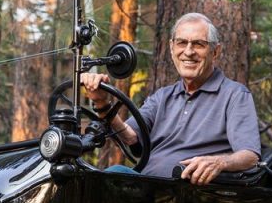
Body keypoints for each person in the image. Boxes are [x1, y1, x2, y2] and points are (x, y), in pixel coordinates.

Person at [81, 13, 261, 186]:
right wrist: (102, 103)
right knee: (81, 178)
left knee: (113, 176)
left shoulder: (235, 95)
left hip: (190, 196)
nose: (188, 52)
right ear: (172, 48)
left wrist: (219, 162)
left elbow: (250, 156)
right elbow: (129, 137)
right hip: (145, 189)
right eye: (182, 42)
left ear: (215, 52)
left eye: (198, 44)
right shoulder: (163, 97)